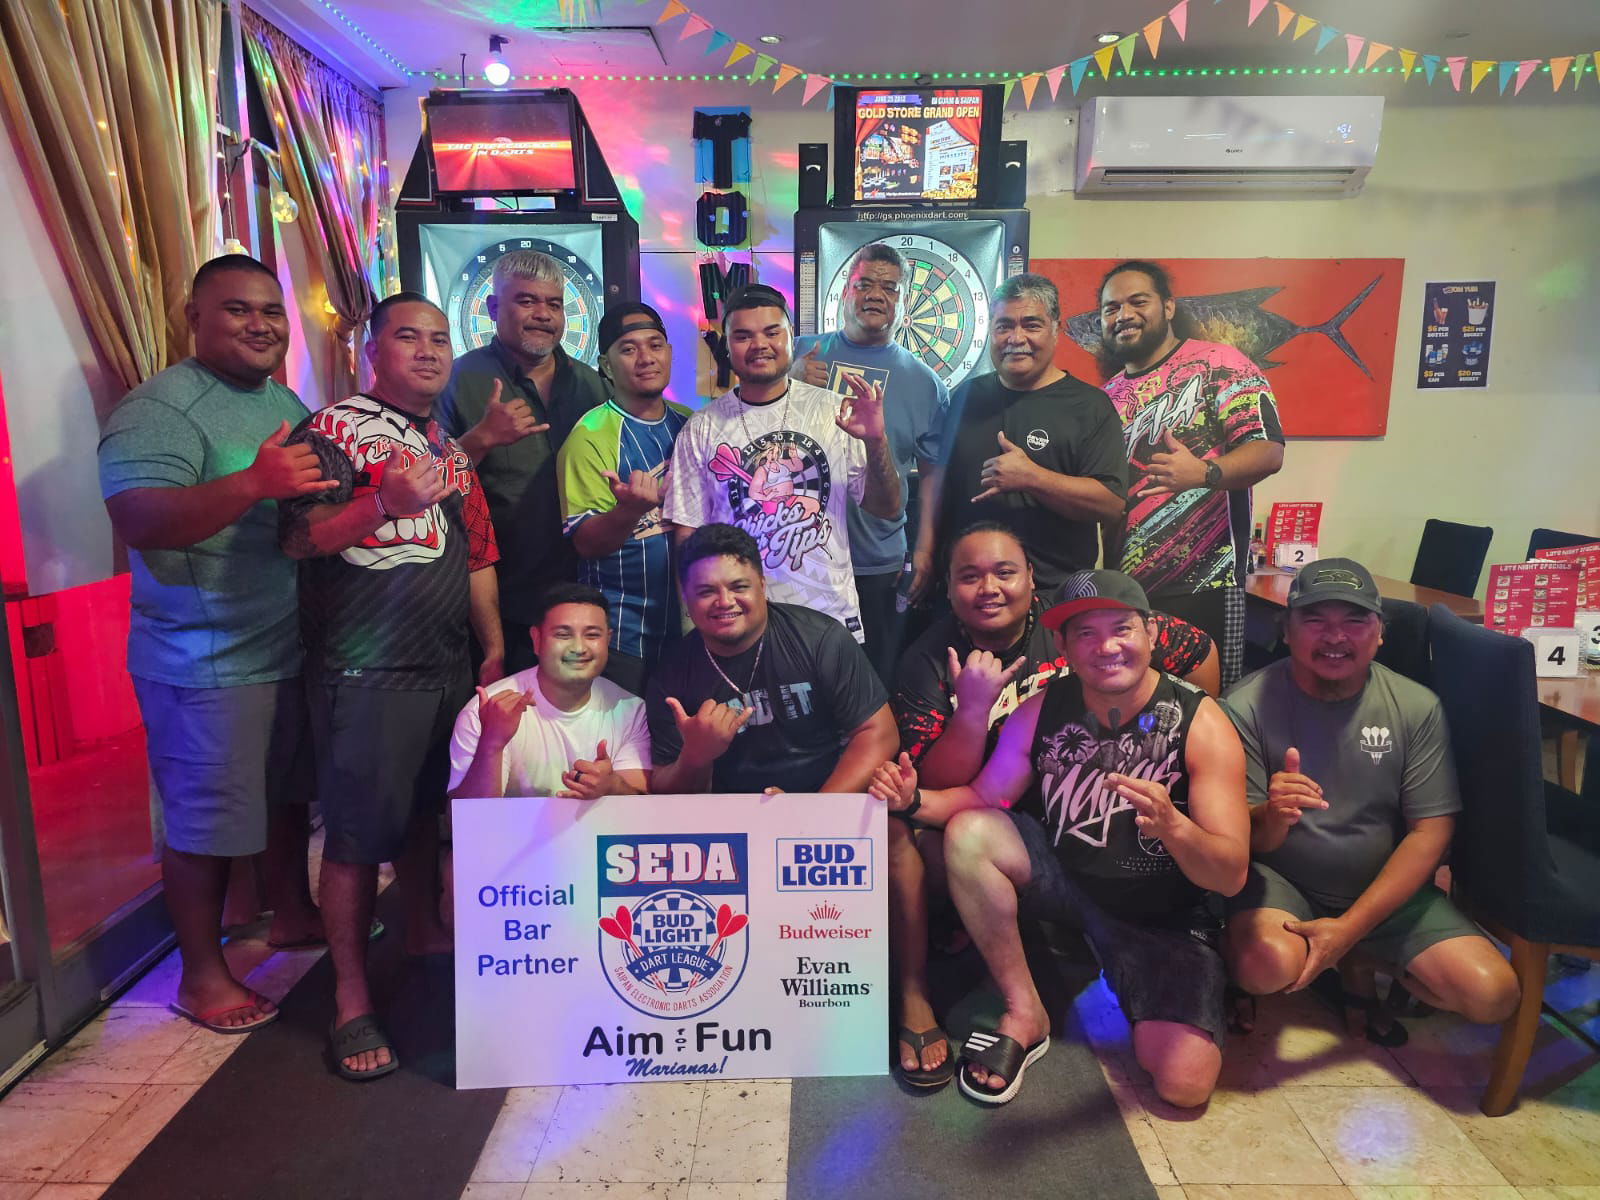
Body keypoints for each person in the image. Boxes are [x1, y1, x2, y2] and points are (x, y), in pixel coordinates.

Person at [870, 569, 1249, 1108]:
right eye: (1085, 635)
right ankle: (1025, 1010)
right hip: (1069, 877)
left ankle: (1127, 964)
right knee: (969, 833)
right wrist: (912, 801)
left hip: (1160, 913)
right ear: (1066, 647)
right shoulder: (1043, 708)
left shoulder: (1201, 723)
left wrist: (1177, 828)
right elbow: (985, 797)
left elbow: (1230, 874)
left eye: (1121, 629)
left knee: (1183, 1086)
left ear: (1148, 634)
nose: (1107, 647)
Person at [97, 254, 334, 1034]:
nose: (261, 324)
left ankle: (293, 915)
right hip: (204, 659)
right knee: (205, 823)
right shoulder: (158, 409)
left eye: (271, 310)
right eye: (238, 310)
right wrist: (251, 484)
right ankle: (201, 975)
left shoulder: (280, 397)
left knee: (284, 795)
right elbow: (138, 521)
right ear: (192, 315)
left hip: (281, 645)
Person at [280, 292, 501, 1082]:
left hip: (446, 664)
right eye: (409, 337)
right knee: (354, 841)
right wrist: (382, 500)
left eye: (441, 339)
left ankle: (425, 936)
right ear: (372, 350)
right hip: (364, 668)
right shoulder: (330, 428)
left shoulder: (440, 440)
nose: (430, 352)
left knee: (425, 822)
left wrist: (495, 646)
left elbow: (475, 551)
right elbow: (300, 537)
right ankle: (348, 998)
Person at [1221, 558, 1519, 1042]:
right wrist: (1272, 814)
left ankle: (1358, 953)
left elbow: (1431, 831)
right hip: (1285, 880)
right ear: (1286, 629)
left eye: (1355, 621)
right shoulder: (1244, 705)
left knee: (1493, 996)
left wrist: (1350, 930)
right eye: (1315, 620)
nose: (1335, 637)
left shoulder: (1417, 706)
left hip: (1381, 887)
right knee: (1263, 967)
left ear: (1380, 633)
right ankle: (1333, 953)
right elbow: (1245, 843)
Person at [663, 284, 901, 644]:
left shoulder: (834, 410)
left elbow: (886, 507)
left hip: (829, 620)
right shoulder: (702, 428)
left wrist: (875, 442)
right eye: (743, 336)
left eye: (772, 332)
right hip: (739, 625)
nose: (759, 344)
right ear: (726, 347)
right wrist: (701, 625)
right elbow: (688, 539)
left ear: (792, 336)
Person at [1098, 260, 1286, 688]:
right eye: (1110, 308)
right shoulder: (1105, 398)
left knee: (1208, 717)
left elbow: (1268, 450)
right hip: (1128, 593)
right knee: (1144, 719)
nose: (1123, 315)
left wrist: (1205, 472)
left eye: (1137, 301)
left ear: (1167, 307)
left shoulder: (1219, 363)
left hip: (1208, 581)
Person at [437, 250, 607, 673]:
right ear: (494, 308)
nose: (543, 315)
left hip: (583, 597)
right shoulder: (458, 381)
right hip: (496, 605)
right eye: (526, 301)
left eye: (553, 304)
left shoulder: (592, 385)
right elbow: (425, 492)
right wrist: (479, 441)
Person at [793, 244, 950, 680]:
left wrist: (924, 548)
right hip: (801, 556)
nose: (876, 295)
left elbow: (934, 478)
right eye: (864, 284)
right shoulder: (799, 355)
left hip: (877, 560)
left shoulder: (926, 383)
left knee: (874, 683)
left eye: (889, 288)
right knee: (805, 684)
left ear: (902, 301)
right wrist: (790, 384)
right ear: (844, 291)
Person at [646, 523, 897, 795]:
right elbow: (662, 788)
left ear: (762, 586)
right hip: (729, 818)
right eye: (706, 592)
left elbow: (879, 734)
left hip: (824, 798)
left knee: (897, 835)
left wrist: (815, 813)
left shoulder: (820, 639)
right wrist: (695, 757)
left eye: (739, 586)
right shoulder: (672, 674)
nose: (724, 601)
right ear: (686, 599)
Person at [929, 273, 1127, 596]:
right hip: (971, 594)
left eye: (1031, 325)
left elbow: (1110, 504)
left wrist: (1032, 477)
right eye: (1004, 326)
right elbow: (938, 487)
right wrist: (926, 556)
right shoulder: (965, 397)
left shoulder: (1090, 406)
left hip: (1056, 596)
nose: (1015, 337)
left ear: (1054, 330)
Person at [556, 303, 691, 695]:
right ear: (606, 364)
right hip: (622, 636)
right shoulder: (591, 435)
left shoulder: (692, 425)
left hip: (692, 631)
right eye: (629, 349)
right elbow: (586, 543)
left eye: (655, 345)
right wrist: (629, 511)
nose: (646, 358)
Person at [448, 583, 651, 801]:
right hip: (515, 835)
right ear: (537, 640)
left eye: (592, 635)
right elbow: (461, 823)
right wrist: (492, 743)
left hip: (597, 834)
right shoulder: (487, 709)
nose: (579, 648)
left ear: (608, 640)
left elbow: (643, 810)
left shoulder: (630, 710)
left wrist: (612, 787)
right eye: (563, 635)